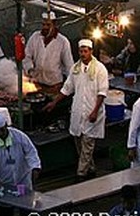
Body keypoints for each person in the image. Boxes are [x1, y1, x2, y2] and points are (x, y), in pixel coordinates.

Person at [46, 38, 109, 180]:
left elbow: (102, 93)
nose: (82, 54)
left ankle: (81, 174)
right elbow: (67, 89)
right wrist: (54, 103)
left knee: (87, 144)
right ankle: (90, 168)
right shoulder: (75, 69)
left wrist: (94, 111)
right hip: (78, 111)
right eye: (81, 51)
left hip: (92, 112)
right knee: (80, 143)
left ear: (91, 52)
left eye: (85, 51)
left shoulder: (100, 69)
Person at [0, 113, 41, 216]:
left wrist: (35, 167)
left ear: (6, 126)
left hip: (23, 180)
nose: (1, 133)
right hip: (5, 183)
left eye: (2, 130)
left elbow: (31, 152)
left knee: (26, 212)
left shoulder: (19, 136)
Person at [25, 12, 74, 93]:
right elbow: (27, 56)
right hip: (37, 83)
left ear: (54, 25)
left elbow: (69, 65)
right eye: (43, 24)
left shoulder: (62, 41)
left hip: (54, 85)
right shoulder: (35, 37)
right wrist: (29, 69)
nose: (45, 27)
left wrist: (68, 86)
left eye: (48, 25)